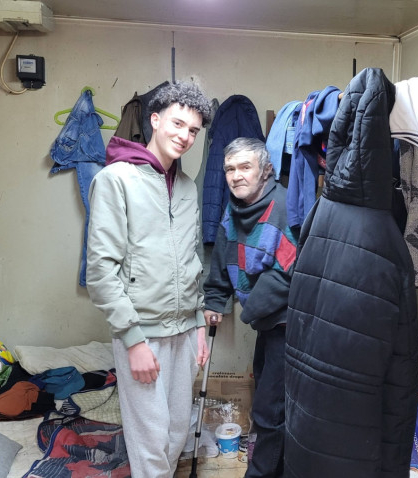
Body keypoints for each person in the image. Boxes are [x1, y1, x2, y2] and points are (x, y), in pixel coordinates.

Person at [85, 81, 214, 478]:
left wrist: (198, 324)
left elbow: (192, 260)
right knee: (150, 441)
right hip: (142, 332)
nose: (185, 136)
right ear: (155, 120)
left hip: (185, 332)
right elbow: (100, 271)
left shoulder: (187, 188)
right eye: (177, 124)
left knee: (176, 434)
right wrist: (134, 340)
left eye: (193, 131)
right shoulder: (116, 179)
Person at [203, 137, 298, 478]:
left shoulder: (284, 207)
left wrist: (250, 309)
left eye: (245, 167)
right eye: (230, 168)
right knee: (269, 401)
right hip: (265, 322)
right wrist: (215, 299)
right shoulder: (234, 207)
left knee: (269, 410)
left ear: (266, 170)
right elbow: (223, 252)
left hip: (288, 324)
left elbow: (289, 272)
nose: (236, 176)